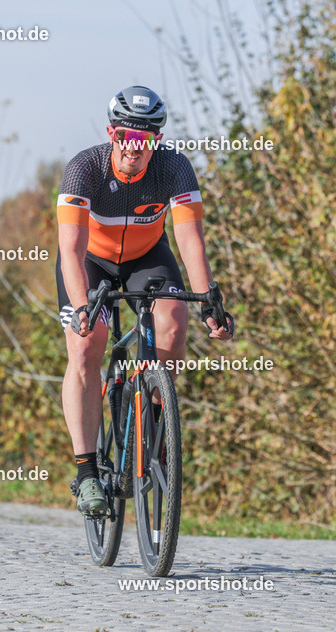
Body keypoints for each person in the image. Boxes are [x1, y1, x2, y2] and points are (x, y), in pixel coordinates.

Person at [56, 85, 234, 515]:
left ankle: (153, 419)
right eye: (126, 137)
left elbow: (190, 239)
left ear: (158, 141)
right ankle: (86, 473)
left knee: (173, 326)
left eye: (146, 139)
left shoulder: (174, 168)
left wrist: (209, 299)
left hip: (147, 258)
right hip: (91, 263)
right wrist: (82, 308)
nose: (134, 147)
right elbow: (71, 251)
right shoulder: (85, 169)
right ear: (111, 133)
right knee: (85, 348)